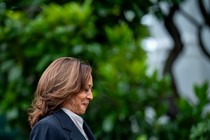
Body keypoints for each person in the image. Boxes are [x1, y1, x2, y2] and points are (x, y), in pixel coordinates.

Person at [28, 57, 95, 140]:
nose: (91, 96)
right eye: (86, 89)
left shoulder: (80, 126)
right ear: (66, 88)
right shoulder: (47, 127)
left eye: (91, 90)